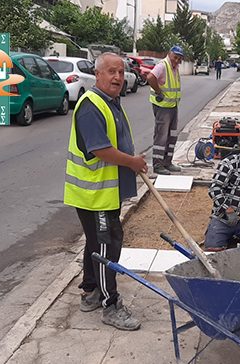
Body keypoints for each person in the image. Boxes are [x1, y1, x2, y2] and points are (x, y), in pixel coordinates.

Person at [64, 52, 148, 331]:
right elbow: (100, 149)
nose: (118, 78)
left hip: (104, 193)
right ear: (97, 74)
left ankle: (90, 292)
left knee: (96, 244)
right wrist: (132, 162)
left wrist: (133, 162)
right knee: (106, 247)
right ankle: (109, 305)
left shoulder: (111, 102)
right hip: (94, 194)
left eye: (121, 73)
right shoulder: (92, 106)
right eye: (111, 72)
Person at [147, 45, 183, 176]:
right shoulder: (163, 65)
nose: (177, 60)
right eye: (175, 57)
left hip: (172, 106)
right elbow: (150, 77)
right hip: (162, 107)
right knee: (161, 136)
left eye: (179, 58)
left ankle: (168, 162)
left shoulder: (175, 67)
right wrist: (158, 91)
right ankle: (157, 164)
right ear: (169, 54)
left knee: (172, 135)